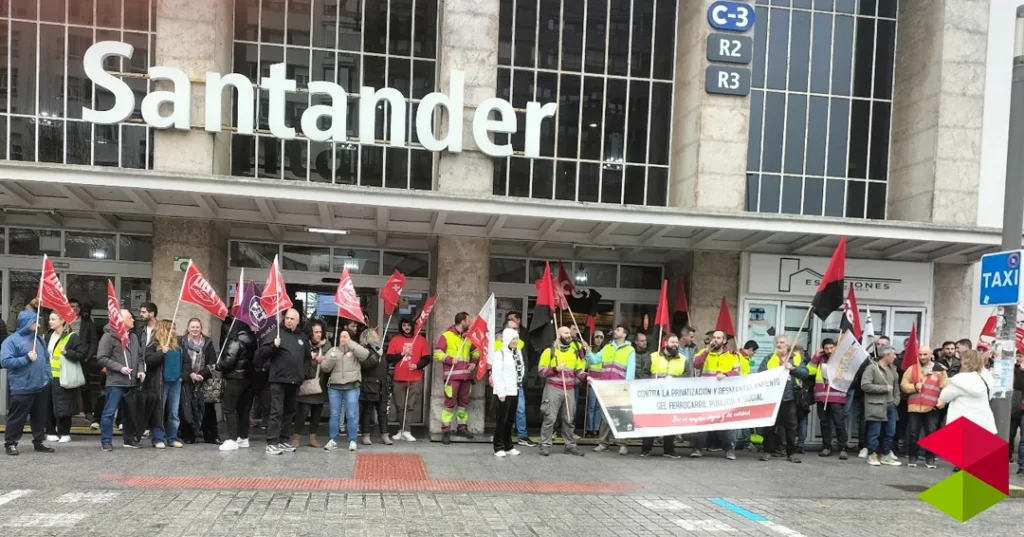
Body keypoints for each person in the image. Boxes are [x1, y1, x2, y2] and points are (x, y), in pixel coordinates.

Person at [255, 309, 310, 455]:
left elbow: (307, 358)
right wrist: (273, 346)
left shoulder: (302, 337)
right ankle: (272, 442)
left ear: (297, 321)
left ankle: (284, 440)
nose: (289, 321)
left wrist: (303, 374)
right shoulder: (277, 333)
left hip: (295, 381)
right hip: (278, 380)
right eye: (287, 318)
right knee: (276, 411)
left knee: (289, 412)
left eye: (292, 319)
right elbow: (262, 353)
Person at [2, 311, 55, 455]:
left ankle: (39, 442)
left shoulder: (39, 340)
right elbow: (5, 361)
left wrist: (47, 377)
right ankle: (10, 443)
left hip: (41, 385)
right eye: (35, 322)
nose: (38, 325)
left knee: (40, 417)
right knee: (17, 417)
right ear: (26, 323)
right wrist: (26, 359)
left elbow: (46, 359)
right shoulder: (11, 341)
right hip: (21, 386)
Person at [96, 309, 146, 451]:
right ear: (121, 320)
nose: (133, 320)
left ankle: (129, 439)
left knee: (130, 413)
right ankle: (106, 441)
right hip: (116, 382)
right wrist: (120, 368)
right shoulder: (108, 337)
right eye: (130, 317)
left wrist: (141, 370)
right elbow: (102, 358)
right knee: (110, 412)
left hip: (132, 382)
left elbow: (140, 357)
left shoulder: (133, 337)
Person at [321, 329, 373, 451]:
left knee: (352, 415)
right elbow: (324, 368)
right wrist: (331, 359)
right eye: (341, 336)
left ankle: (353, 440)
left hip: (352, 387)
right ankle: (332, 440)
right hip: (335, 387)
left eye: (346, 336)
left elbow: (365, 355)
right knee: (334, 415)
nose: (343, 338)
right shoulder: (333, 350)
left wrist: (351, 344)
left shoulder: (355, 349)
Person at [758, 336, 808, 464]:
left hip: (790, 397)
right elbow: (760, 374)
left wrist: (793, 368)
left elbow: (805, 374)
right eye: (777, 342)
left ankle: (791, 453)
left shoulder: (796, 358)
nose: (779, 344)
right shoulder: (769, 358)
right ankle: (767, 451)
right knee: (769, 426)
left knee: (791, 427)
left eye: (782, 342)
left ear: (788, 345)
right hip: (772, 397)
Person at [692, 330, 740, 459]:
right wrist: (707, 351)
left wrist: (726, 374)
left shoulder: (732, 355)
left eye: (718, 338)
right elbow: (696, 365)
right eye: (714, 337)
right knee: (703, 420)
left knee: (727, 422)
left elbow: (737, 372)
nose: (715, 340)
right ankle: (698, 449)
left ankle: (729, 450)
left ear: (724, 341)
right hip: (706, 394)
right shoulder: (704, 352)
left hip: (724, 395)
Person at [539, 326, 586, 457]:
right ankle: (545, 445)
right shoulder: (549, 351)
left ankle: (570, 446)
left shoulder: (574, 351)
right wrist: (555, 369)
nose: (569, 335)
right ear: (558, 335)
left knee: (569, 419)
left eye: (569, 333)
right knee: (550, 418)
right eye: (566, 333)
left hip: (569, 388)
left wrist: (585, 377)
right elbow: (541, 371)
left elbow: (578, 370)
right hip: (553, 388)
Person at [433, 312, 480, 444]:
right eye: (468, 320)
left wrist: (474, 361)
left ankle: (462, 428)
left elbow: (476, 351)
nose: (470, 323)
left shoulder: (468, 337)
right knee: (449, 405)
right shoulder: (446, 335)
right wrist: (449, 359)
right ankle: (446, 430)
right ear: (462, 321)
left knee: (463, 405)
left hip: (466, 377)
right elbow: (437, 353)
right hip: (452, 377)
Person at [589, 325, 635, 455]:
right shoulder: (607, 347)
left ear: (624, 334)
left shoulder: (630, 350)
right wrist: (588, 351)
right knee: (605, 416)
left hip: (620, 387)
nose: (615, 331)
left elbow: (630, 372)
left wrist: (626, 387)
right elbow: (594, 360)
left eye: (618, 330)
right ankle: (603, 443)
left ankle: (623, 444)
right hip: (606, 387)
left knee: (622, 416)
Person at [640, 334, 686, 458]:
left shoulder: (683, 359)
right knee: (650, 421)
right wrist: (651, 383)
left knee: (670, 422)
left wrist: (674, 379)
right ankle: (646, 449)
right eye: (672, 342)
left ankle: (669, 450)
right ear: (665, 343)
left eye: (676, 342)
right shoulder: (653, 356)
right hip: (654, 395)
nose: (675, 345)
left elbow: (687, 375)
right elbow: (644, 373)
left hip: (673, 396)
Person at [43, 311, 87, 443]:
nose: (50, 321)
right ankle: (50, 431)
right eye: (50, 319)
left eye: (53, 319)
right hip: (48, 377)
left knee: (64, 405)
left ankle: (64, 432)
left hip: (63, 377)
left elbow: (81, 355)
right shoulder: (47, 335)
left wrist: (67, 352)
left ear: (62, 321)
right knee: (48, 405)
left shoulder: (72, 337)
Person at [901, 345, 948, 468]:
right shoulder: (912, 369)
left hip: (932, 407)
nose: (922, 357)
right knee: (913, 433)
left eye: (925, 354)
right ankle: (912, 458)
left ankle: (930, 458)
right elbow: (903, 385)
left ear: (931, 355)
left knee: (931, 433)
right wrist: (914, 386)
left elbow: (945, 388)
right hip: (914, 406)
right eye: (920, 354)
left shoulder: (940, 370)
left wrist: (941, 403)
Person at [387, 317, 431, 442]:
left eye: (408, 325)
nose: (406, 327)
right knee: (400, 406)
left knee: (410, 405)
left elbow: (427, 358)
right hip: (399, 377)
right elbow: (389, 358)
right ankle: (401, 430)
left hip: (415, 378)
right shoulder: (395, 340)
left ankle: (406, 431)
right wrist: (401, 354)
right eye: (404, 325)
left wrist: (417, 366)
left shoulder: (421, 340)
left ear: (412, 326)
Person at [217, 320, 256, 451]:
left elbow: (228, 361)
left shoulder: (236, 340)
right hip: (248, 378)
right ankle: (243, 438)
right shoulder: (252, 339)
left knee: (229, 408)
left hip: (235, 378)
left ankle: (232, 439)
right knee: (243, 410)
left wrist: (218, 365)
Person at [179, 318, 219, 445]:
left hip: (203, 379)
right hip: (187, 378)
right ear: (188, 328)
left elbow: (212, 361)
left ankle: (211, 436)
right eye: (192, 327)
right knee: (187, 407)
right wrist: (190, 373)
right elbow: (181, 360)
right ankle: (188, 435)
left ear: (201, 328)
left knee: (208, 408)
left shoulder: (208, 342)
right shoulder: (181, 341)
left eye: (197, 327)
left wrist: (202, 374)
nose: (195, 329)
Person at [938, 350, 996, 436]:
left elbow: (944, 396)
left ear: (965, 362)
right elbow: (990, 395)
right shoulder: (987, 375)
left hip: (962, 422)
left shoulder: (961, 379)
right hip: (982, 420)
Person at [807, 338, 848, 460]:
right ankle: (826, 447)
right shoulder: (820, 359)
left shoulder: (842, 359)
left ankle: (842, 448)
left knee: (839, 423)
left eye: (831, 348)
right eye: (826, 348)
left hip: (836, 397)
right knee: (824, 423)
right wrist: (816, 357)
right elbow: (809, 371)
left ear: (835, 347)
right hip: (822, 396)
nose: (829, 350)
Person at [861, 345, 902, 467]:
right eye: (893, 354)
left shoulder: (893, 369)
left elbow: (896, 387)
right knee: (875, 432)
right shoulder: (872, 368)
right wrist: (884, 388)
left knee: (890, 432)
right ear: (886, 355)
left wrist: (896, 401)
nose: (895, 357)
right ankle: (872, 455)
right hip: (876, 405)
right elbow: (865, 385)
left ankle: (885, 455)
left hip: (891, 405)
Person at [293, 319, 329, 449]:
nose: (319, 334)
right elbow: (295, 358)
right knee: (302, 412)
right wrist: (309, 357)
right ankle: (296, 437)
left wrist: (325, 359)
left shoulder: (327, 346)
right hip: (306, 383)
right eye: (316, 332)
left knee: (317, 413)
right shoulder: (303, 343)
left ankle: (313, 438)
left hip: (320, 384)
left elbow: (332, 360)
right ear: (310, 332)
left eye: (320, 332)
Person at [491, 327, 524, 457]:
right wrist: (501, 392)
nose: (515, 341)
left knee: (510, 420)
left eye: (516, 338)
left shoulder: (518, 352)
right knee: (502, 420)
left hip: (515, 390)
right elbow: (497, 374)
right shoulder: (500, 353)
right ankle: (498, 446)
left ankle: (508, 445)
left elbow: (521, 368)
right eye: (512, 339)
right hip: (504, 392)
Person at [68, 299, 99, 424]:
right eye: (72, 306)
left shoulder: (87, 322)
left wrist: (88, 356)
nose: (75, 308)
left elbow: (93, 341)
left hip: (83, 359)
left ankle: (88, 412)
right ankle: (68, 413)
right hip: (67, 358)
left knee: (85, 387)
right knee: (68, 386)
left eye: (77, 306)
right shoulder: (63, 321)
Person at [360, 328, 391, 445]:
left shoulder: (380, 349)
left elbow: (386, 368)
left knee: (383, 413)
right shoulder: (364, 351)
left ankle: (385, 435)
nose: (376, 337)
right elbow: (365, 366)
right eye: (373, 335)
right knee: (367, 412)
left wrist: (388, 379)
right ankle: (366, 435)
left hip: (382, 386)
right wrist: (376, 356)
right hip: (369, 386)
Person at [156, 320, 184, 448]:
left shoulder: (179, 345)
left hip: (176, 382)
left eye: (175, 328)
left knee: (174, 412)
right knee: (159, 411)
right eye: (171, 329)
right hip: (162, 382)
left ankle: (172, 438)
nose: (174, 331)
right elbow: (149, 360)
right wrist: (161, 352)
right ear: (164, 329)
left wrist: (182, 376)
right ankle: (158, 438)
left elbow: (185, 361)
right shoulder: (155, 344)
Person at [584, 329, 606, 437]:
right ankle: (589, 428)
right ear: (593, 338)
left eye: (601, 337)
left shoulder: (605, 351)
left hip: (601, 383)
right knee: (591, 406)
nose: (599, 339)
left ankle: (596, 429)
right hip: (592, 382)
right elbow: (585, 365)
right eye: (597, 337)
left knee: (598, 406)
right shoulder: (589, 351)